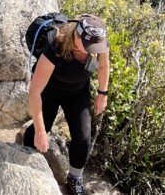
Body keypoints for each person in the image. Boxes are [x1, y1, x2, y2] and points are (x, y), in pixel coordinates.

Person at [25, 13, 110, 195]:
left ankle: (75, 177)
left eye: (94, 47)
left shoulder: (98, 42)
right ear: (76, 36)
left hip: (77, 91)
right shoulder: (56, 45)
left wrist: (102, 93)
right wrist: (40, 132)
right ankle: (24, 156)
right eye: (87, 46)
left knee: (83, 135)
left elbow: (103, 66)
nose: (91, 51)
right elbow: (35, 91)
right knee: (42, 127)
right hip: (49, 90)